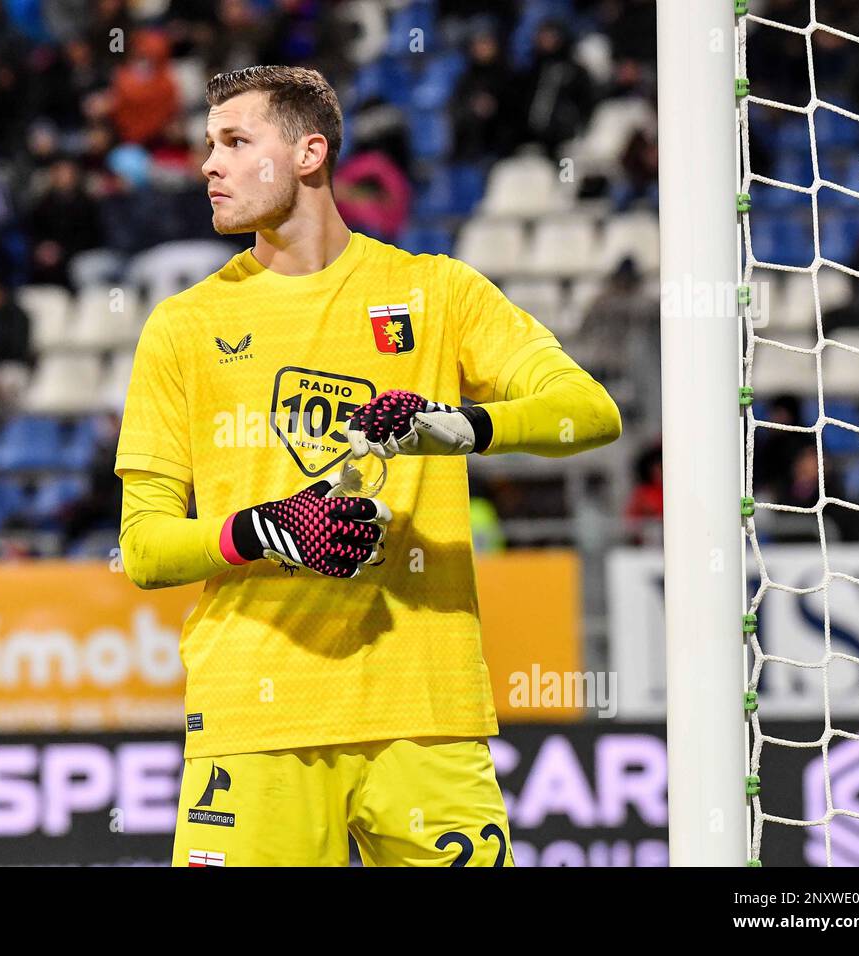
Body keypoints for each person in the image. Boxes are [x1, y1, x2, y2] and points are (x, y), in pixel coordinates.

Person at [114, 66, 621, 867]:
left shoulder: (435, 292)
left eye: (235, 142)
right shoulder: (182, 328)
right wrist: (268, 529)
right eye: (209, 144)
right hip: (257, 718)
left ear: (309, 153)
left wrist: (449, 427)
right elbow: (142, 548)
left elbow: (589, 410)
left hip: (425, 711)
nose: (209, 163)